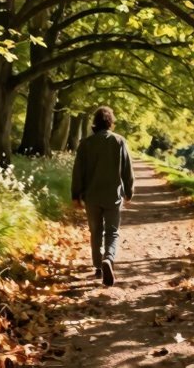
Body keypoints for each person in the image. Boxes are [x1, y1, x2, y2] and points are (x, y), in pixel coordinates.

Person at [71, 106, 135, 286]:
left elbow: (78, 171)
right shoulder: (119, 141)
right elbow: (127, 170)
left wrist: (76, 194)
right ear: (110, 122)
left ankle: (98, 266)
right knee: (112, 232)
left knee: (95, 231)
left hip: (91, 196)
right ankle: (109, 258)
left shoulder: (86, 144)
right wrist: (129, 192)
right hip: (112, 196)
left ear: (95, 123)